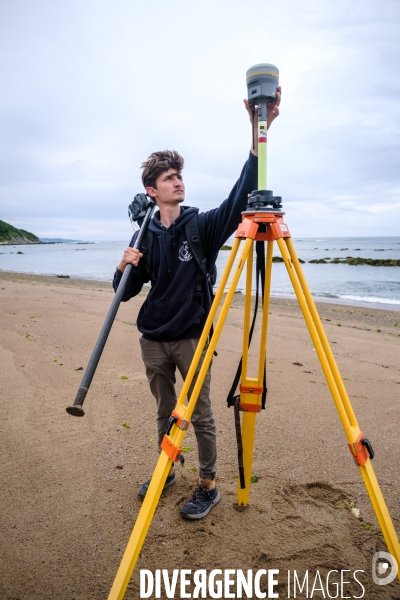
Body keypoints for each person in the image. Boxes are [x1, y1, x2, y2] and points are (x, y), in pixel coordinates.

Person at [113, 91, 281, 519]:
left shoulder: (200, 227)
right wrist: (123, 267)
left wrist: (256, 135)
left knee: (201, 415)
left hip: (192, 337)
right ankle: (167, 467)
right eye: (168, 178)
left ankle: (207, 484)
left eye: (178, 176)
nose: (178, 181)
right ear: (152, 191)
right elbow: (126, 292)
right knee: (163, 412)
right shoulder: (146, 234)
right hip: (153, 338)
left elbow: (238, 199)